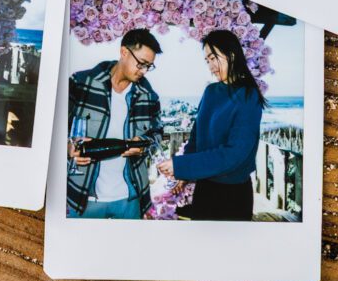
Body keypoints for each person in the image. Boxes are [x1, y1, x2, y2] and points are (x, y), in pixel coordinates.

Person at [157, 29, 265, 221]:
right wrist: (184, 174)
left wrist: (181, 165)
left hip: (233, 195)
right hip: (204, 188)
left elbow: (234, 154)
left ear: (231, 54)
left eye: (214, 58)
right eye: (207, 60)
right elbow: (196, 137)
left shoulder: (249, 96)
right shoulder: (210, 91)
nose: (211, 66)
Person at [67, 28, 163, 219]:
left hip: (131, 198)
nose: (143, 71)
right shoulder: (81, 84)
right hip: (84, 197)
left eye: (148, 66)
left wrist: (143, 145)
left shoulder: (149, 96)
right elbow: (56, 129)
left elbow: (157, 134)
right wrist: (68, 147)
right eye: (141, 64)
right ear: (124, 52)